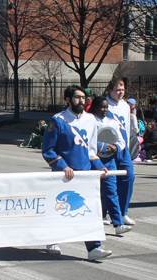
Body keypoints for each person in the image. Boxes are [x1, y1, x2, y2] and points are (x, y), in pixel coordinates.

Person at [42, 85, 111, 261]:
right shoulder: (58, 120)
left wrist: (100, 166)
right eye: (77, 97)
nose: (82, 101)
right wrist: (63, 166)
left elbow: (91, 150)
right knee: (59, 208)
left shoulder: (90, 120)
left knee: (88, 210)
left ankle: (94, 248)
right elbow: (48, 150)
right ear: (68, 100)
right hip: (64, 174)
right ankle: (52, 239)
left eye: (83, 98)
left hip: (85, 173)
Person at [88, 96, 132, 235]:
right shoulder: (89, 121)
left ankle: (118, 223)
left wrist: (115, 148)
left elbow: (121, 141)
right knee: (93, 192)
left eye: (106, 107)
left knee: (111, 192)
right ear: (94, 107)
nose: (105, 110)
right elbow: (87, 141)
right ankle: (96, 218)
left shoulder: (112, 122)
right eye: (102, 107)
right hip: (93, 161)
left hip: (109, 161)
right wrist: (102, 147)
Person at [106, 79, 136, 226]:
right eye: (118, 89)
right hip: (108, 149)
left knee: (129, 177)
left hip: (123, 149)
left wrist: (128, 147)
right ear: (110, 90)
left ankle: (122, 212)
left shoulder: (125, 106)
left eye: (123, 89)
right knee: (108, 181)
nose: (121, 92)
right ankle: (104, 213)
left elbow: (128, 128)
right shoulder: (103, 104)